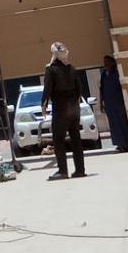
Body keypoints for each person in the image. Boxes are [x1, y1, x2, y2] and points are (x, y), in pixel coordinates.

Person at [41, 42, 86, 181]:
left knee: (58, 140)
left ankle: (62, 171)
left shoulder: (51, 69)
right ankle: (80, 170)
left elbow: (47, 89)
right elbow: (79, 89)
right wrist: (76, 104)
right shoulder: (72, 68)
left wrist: (43, 105)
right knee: (76, 140)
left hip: (61, 109)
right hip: (74, 108)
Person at [99, 54, 128, 151]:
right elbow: (101, 89)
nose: (105, 64)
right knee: (113, 124)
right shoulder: (104, 75)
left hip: (119, 103)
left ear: (112, 63)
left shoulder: (117, 74)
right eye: (104, 62)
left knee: (122, 123)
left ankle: (126, 143)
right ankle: (119, 143)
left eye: (107, 62)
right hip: (109, 104)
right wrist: (101, 103)